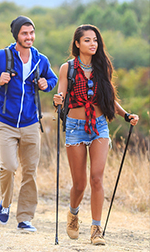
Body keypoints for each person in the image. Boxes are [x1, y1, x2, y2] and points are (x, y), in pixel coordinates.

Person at [53, 24, 139, 246]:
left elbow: (109, 97)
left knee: (97, 178)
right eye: (87, 40)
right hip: (75, 126)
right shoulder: (67, 68)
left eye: (95, 40)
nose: (93, 44)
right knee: (80, 184)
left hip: (99, 126)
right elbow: (61, 92)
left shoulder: (102, 67)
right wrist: (58, 100)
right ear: (77, 44)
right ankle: (73, 215)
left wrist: (125, 115)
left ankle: (96, 229)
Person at [0, 16, 57, 233]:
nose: (29, 37)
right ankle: (6, 203)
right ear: (16, 35)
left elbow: (53, 80)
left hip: (31, 123)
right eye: (25, 33)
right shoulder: (2, 56)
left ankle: (25, 218)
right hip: (6, 122)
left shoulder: (40, 59)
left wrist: (47, 85)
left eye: (32, 33)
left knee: (30, 171)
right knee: (9, 166)